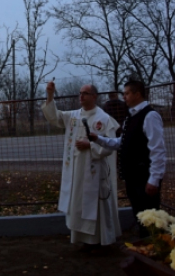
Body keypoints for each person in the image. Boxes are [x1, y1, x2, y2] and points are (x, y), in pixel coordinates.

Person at [42, 82, 121, 251]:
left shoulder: (104, 118)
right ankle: (83, 240)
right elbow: (55, 117)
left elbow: (111, 145)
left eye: (85, 93)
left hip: (94, 172)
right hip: (76, 172)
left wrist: (90, 146)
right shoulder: (74, 116)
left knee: (95, 205)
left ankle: (100, 241)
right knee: (78, 204)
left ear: (94, 96)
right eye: (80, 93)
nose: (81, 96)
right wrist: (50, 95)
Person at [90, 80, 166, 237]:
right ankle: (145, 250)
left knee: (150, 218)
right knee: (139, 215)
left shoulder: (150, 116)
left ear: (137, 94)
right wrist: (98, 139)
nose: (123, 97)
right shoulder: (130, 117)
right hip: (132, 177)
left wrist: (154, 179)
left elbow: (157, 150)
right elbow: (121, 143)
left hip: (144, 177)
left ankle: (154, 250)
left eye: (126, 93)